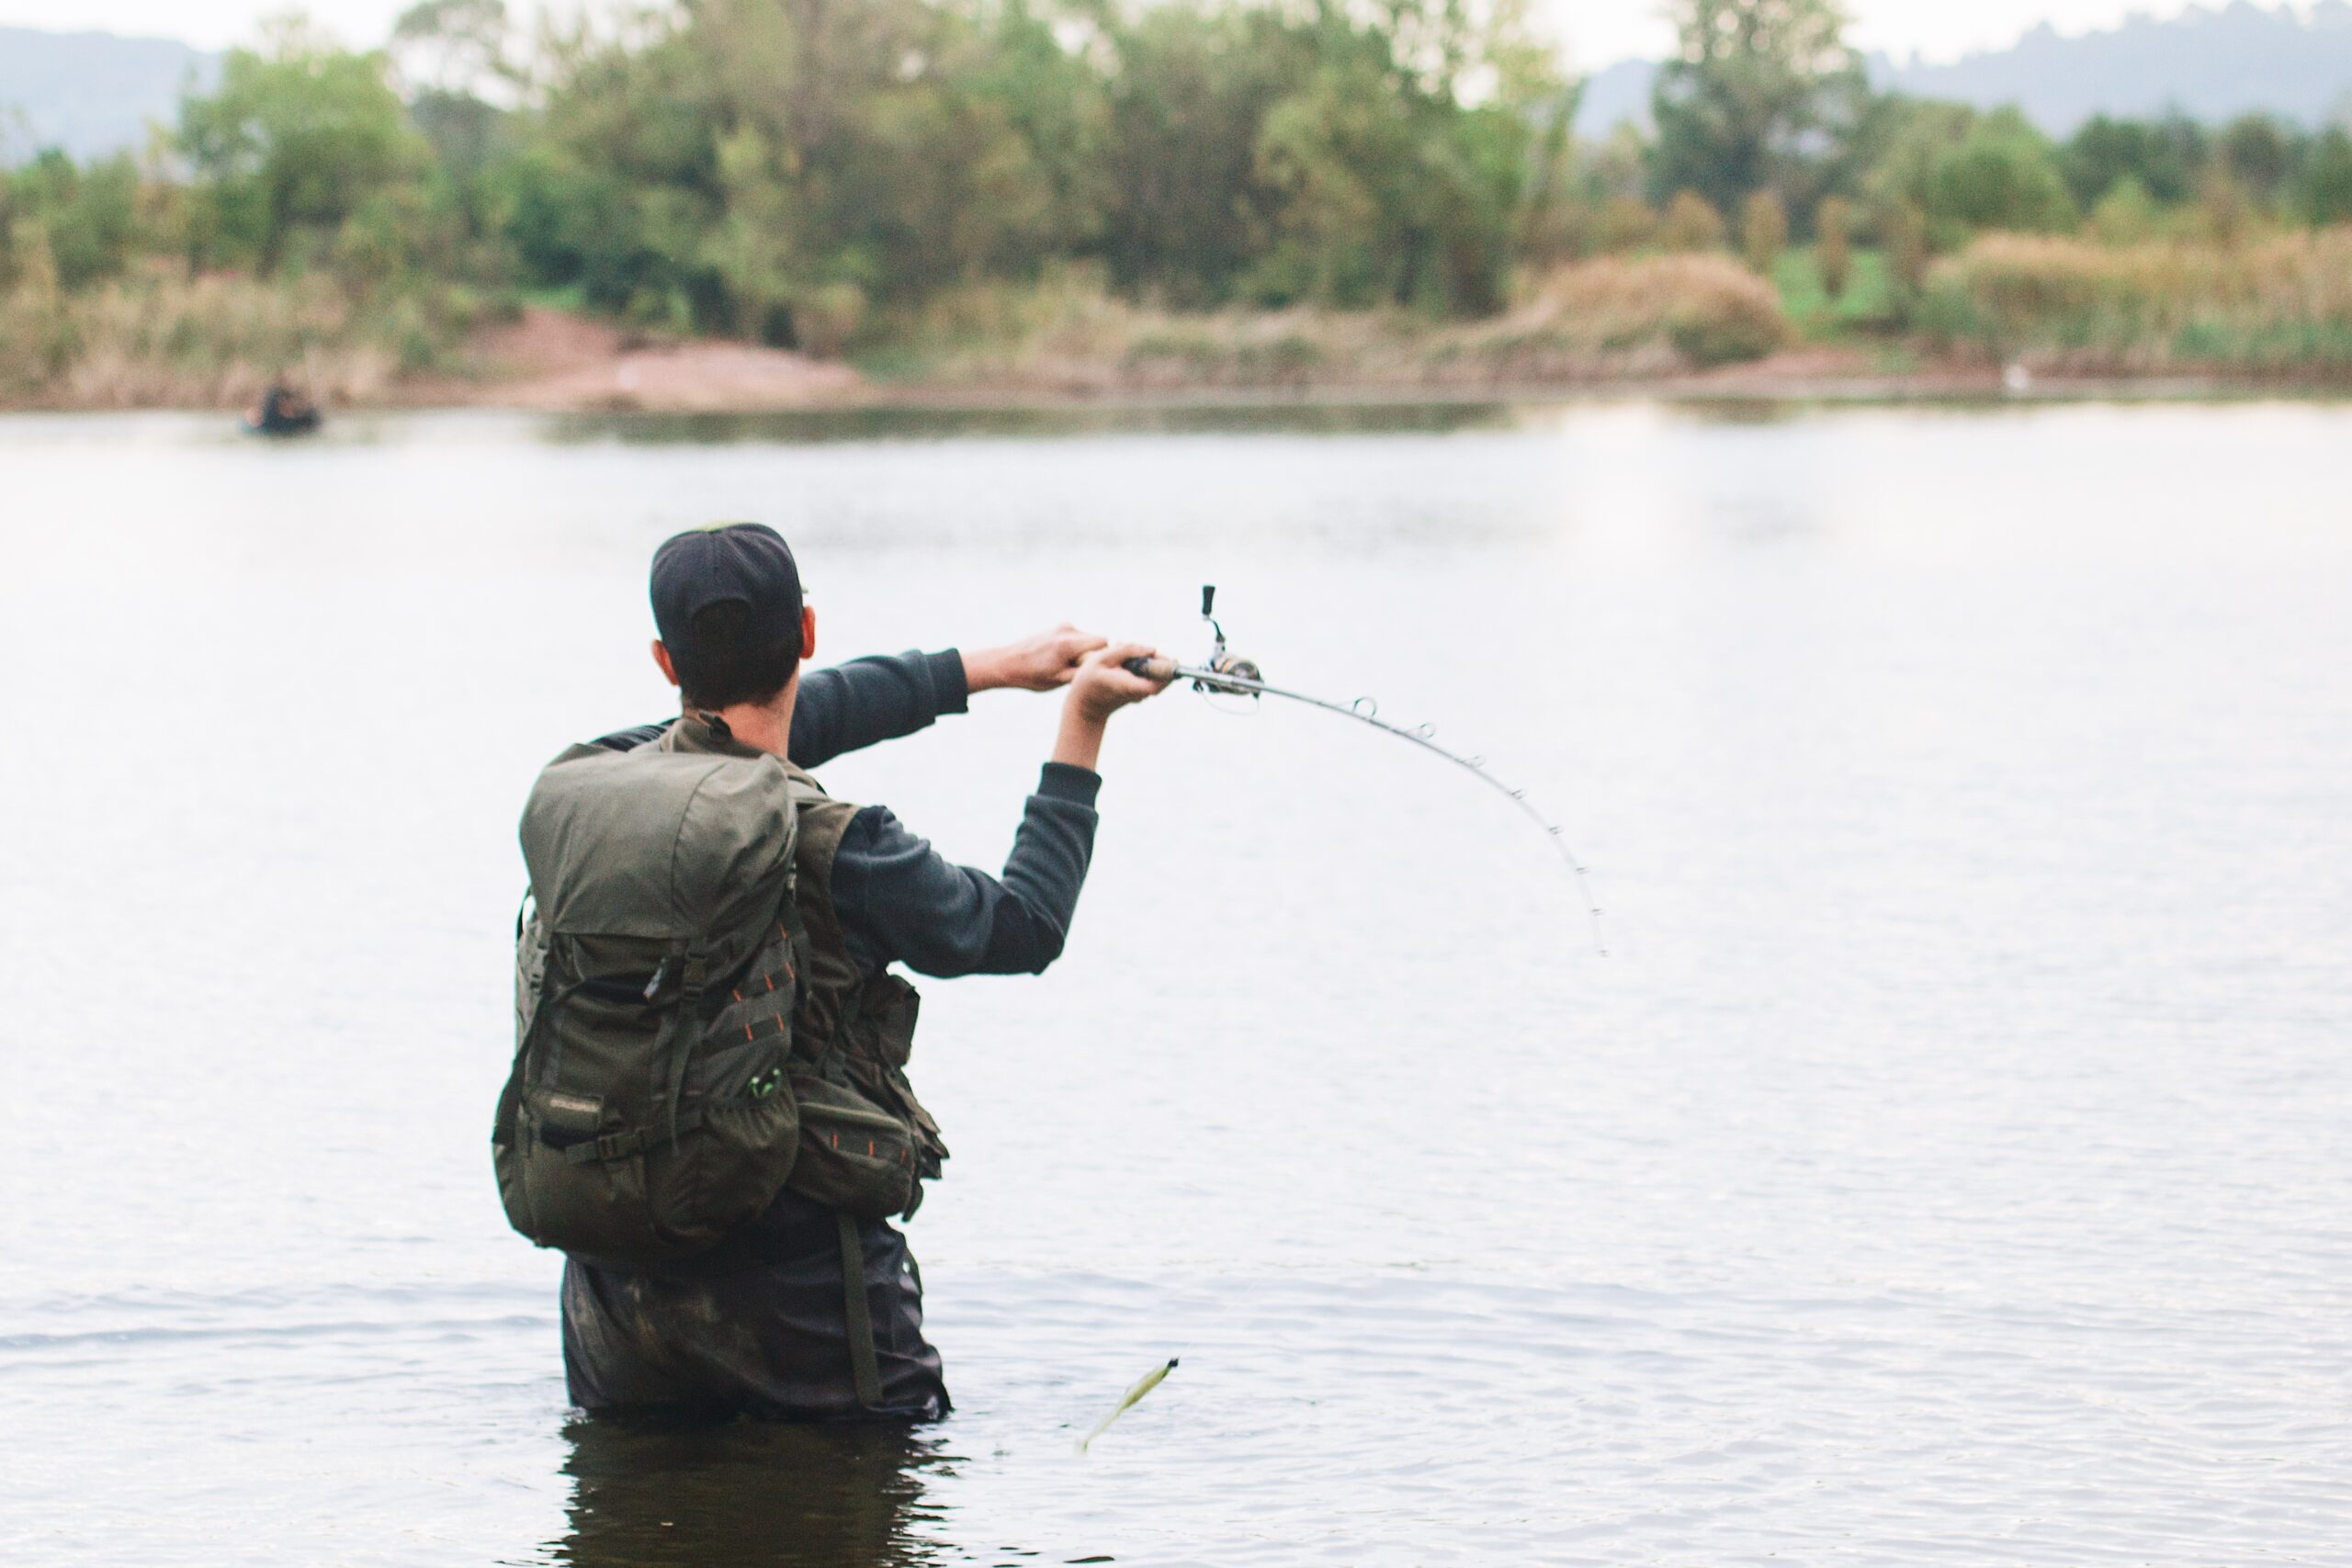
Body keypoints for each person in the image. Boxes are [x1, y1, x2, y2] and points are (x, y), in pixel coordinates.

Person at [536, 521, 1168, 1421]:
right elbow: (1023, 926)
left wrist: (985, 668)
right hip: (801, 1290)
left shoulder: (586, 789)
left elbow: (756, 731)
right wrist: (1083, 723)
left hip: (613, 1285)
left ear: (664, 662)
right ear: (808, 633)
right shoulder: (844, 846)